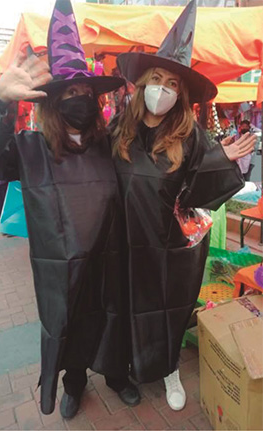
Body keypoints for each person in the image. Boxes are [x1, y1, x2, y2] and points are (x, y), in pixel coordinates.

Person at [0, 0, 139, 418]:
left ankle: (116, 375)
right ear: (53, 102)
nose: (80, 99)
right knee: (70, 325)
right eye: (70, 93)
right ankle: (74, 383)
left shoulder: (111, 145)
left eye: (85, 93)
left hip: (109, 263)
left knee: (112, 318)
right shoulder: (30, 150)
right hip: (62, 270)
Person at [102, 1, 255, 412]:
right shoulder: (120, 128)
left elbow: (198, 195)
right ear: (142, 84)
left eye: (172, 83)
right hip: (124, 241)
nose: (163, 89)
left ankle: (168, 367)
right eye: (156, 79)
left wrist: (221, 160)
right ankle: (128, 365)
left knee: (168, 309)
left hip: (170, 247)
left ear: (181, 93)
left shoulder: (191, 135)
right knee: (126, 305)